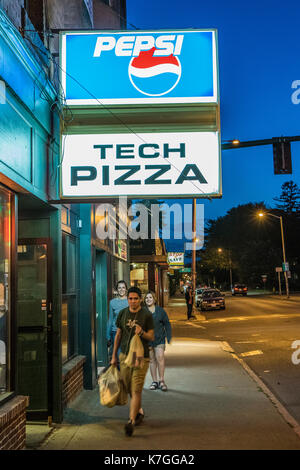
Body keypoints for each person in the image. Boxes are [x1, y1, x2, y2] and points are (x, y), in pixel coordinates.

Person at [111, 286, 154, 437]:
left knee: (136, 389)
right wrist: (114, 356)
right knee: (127, 386)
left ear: (140, 299)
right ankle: (139, 411)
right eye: (130, 298)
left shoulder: (146, 315)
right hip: (124, 355)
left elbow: (151, 336)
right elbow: (118, 335)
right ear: (127, 299)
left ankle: (131, 421)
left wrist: (141, 332)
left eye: (136, 298)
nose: (133, 301)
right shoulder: (122, 314)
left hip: (140, 357)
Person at [144, 291, 172, 392]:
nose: (148, 299)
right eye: (146, 298)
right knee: (152, 360)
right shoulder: (142, 311)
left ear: (154, 299)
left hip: (159, 338)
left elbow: (167, 324)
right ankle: (154, 381)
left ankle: (161, 381)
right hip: (148, 340)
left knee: (160, 357)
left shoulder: (160, 311)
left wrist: (168, 336)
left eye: (150, 297)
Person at [106, 280, 128, 360]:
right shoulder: (112, 302)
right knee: (119, 356)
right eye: (119, 288)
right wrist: (107, 336)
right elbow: (110, 319)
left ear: (126, 289)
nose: (121, 290)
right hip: (115, 332)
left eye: (123, 287)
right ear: (116, 290)